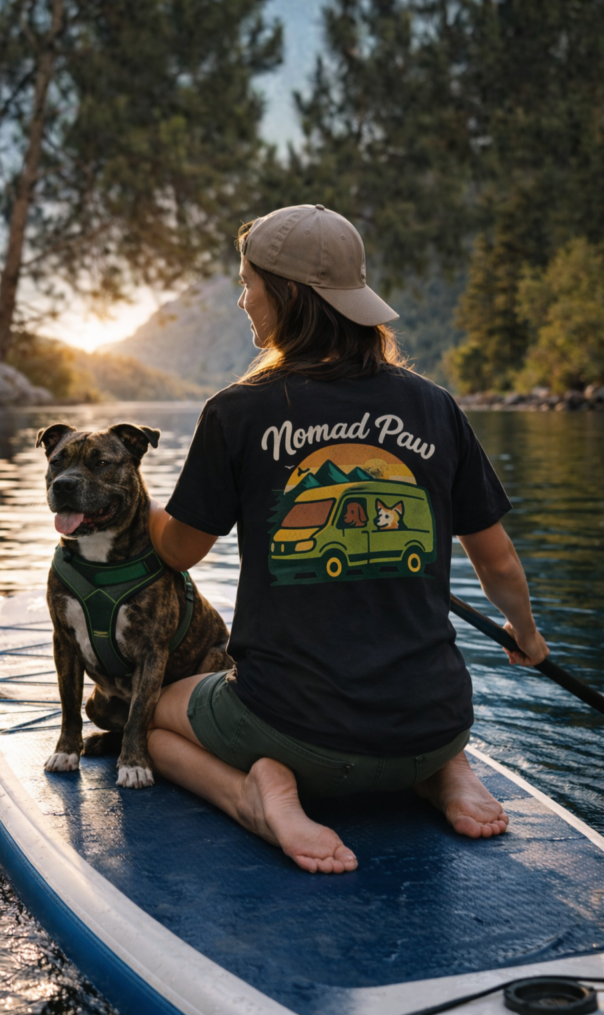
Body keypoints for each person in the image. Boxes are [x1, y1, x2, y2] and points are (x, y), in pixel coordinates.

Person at [146, 204, 549, 875]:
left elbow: (179, 550)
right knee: (408, 717)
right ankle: (444, 771)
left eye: (248, 284)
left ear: (287, 294)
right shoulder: (434, 405)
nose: (243, 300)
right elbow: (499, 562)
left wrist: (144, 507)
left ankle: (253, 797)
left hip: (296, 737)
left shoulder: (237, 411)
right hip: (435, 725)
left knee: (153, 720)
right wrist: (526, 636)